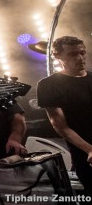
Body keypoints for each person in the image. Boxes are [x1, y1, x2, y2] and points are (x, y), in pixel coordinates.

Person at [37, 36, 92, 195]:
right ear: (57, 55)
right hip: (85, 155)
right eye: (73, 54)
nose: (80, 58)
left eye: (82, 52)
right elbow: (61, 126)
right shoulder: (49, 85)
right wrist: (89, 149)